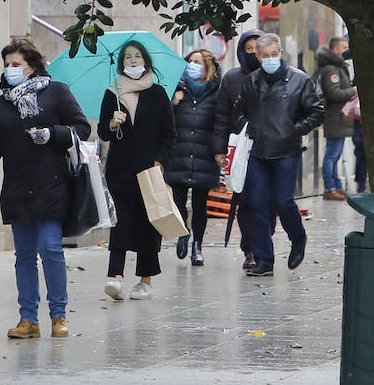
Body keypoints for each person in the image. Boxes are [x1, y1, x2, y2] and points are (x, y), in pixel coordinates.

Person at [0, 37, 89, 339]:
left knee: (51, 248)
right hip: (17, 188)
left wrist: (52, 134)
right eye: (7, 65)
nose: (10, 70)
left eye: (16, 64)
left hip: (52, 185)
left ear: (32, 66)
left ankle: (58, 315)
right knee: (23, 256)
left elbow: (82, 127)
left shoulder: (57, 93)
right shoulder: (1, 105)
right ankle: (28, 319)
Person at [232, 33, 325, 276]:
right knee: (257, 204)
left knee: (283, 201)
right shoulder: (251, 82)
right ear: (258, 56)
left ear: (281, 53)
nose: (271, 59)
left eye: (274, 54)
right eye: (265, 55)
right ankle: (264, 260)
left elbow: (316, 112)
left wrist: (294, 130)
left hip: (287, 151)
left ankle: (298, 238)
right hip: (259, 151)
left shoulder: (299, 80)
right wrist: (249, 125)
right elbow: (238, 109)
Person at [100, 40, 176, 299]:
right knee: (119, 221)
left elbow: (169, 133)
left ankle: (145, 280)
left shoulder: (157, 93)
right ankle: (116, 277)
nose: (133, 61)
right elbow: (102, 132)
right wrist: (112, 123)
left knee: (147, 223)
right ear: (122, 62)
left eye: (137, 56)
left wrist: (160, 160)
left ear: (145, 60)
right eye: (128, 57)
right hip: (120, 170)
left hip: (148, 168)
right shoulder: (113, 92)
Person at [212, 29, 263, 268]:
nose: (253, 54)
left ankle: (264, 244)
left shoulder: (277, 76)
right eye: (248, 49)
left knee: (269, 202)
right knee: (246, 200)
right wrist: (219, 150)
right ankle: (250, 250)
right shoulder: (232, 79)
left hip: (270, 148)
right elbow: (221, 116)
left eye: (257, 48)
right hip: (241, 149)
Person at [165, 49, 221, 266]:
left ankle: (198, 244)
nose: (192, 65)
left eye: (198, 62)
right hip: (178, 153)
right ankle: (183, 234)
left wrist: (218, 151)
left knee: (200, 204)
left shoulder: (216, 93)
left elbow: (220, 125)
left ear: (207, 68)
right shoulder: (177, 91)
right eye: (190, 61)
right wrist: (174, 103)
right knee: (178, 200)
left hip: (204, 156)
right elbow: (164, 121)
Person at [314, 37, 354, 201]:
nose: (346, 50)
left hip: (340, 117)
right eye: (343, 47)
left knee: (335, 154)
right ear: (335, 49)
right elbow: (334, 93)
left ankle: (337, 185)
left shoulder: (338, 68)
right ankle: (330, 188)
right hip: (335, 117)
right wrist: (353, 91)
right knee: (332, 154)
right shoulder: (331, 70)